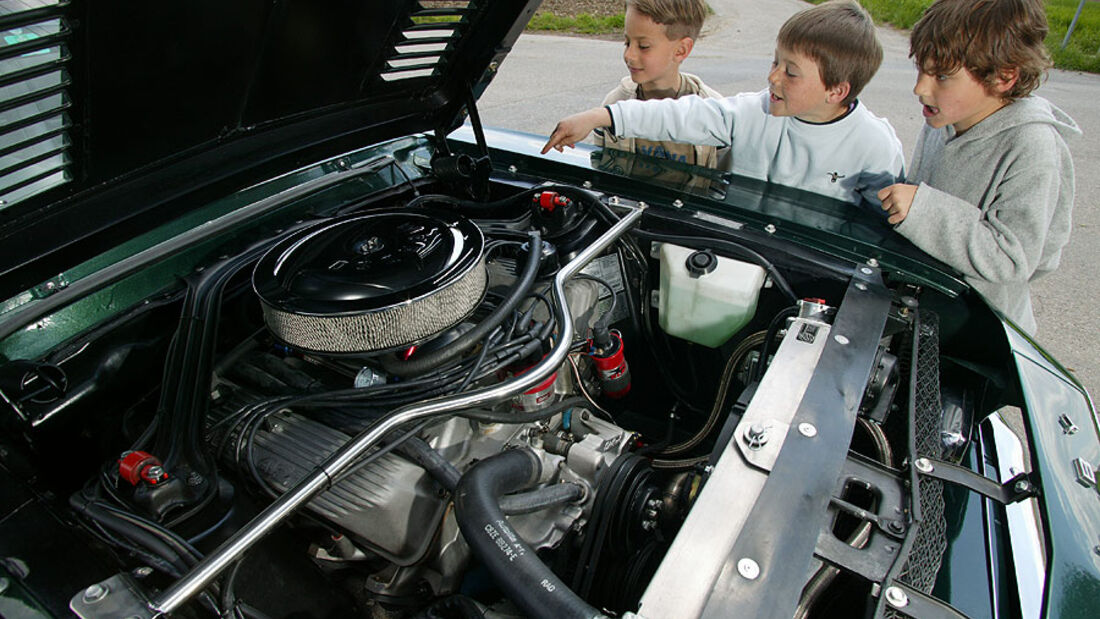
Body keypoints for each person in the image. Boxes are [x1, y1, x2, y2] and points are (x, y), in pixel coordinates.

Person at [542, 0, 905, 206]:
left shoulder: (875, 146)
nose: (773, 77)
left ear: (836, 91)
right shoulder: (750, 112)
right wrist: (601, 114)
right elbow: (679, 115)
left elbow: (882, 227)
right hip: (737, 252)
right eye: (774, 62)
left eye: (790, 72)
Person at [877, 0, 1080, 335]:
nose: (920, 88)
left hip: (981, 331)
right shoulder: (944, 119)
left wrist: (924, 211)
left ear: (1004, 76)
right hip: (927, 312)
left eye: (941, 76)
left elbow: (1013, 258)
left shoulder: (1032, 145)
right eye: (922, 70)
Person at [593, 0, 722, 168]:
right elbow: (599, 175)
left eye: (643, 46)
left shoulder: (714, 114)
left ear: (681, 50)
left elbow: (725, 186)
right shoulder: (614, 103)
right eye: (627, 43)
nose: (629, 55)